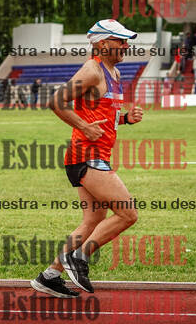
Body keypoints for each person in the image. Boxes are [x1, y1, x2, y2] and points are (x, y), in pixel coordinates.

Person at [30, 19, 143, 298]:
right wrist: (83, 126)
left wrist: (125, 119)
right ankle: (78, 257)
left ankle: (49, 276)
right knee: (127, 213)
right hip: (86, 155)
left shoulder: (114, 72)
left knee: (93, 220)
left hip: (95, 155)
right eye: (120, 41)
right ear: (103, 44)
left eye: (126, 41)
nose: (126, 46)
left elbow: (101, 115)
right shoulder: (92, 70)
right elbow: (56, 101)